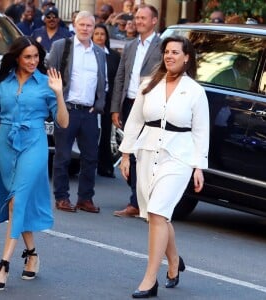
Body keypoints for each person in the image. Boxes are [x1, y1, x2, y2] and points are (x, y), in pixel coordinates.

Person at [119, 35, 210, 298]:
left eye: (175, 52)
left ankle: (150, 280)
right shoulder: (148, 84)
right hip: (147, 153)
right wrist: (126, 155)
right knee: (156, 213)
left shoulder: (195, 91)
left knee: (158, 213)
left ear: (186, 57)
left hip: (178, 157)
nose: (169, 56)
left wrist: (198, 167)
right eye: (167, 52)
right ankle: (174, 262)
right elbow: (135, 121)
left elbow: (201, 132)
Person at [0, 36, 69, 291]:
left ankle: (3, 263)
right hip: (6, 145)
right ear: (16, 57)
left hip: (34, 144)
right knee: (15, 203)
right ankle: (32, 253)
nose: (33, 61)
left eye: (36, 57)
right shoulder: (3, 84)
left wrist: (59, 94)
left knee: (17, 199)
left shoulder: (46, 83)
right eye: (27, 57)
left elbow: (63, 122)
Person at [47, 11, 106, 213]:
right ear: (74, 25)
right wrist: (55, 102)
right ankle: (61, 197)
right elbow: (50, 73)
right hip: (67, 109)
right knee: (63, 156)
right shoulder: (61, 47)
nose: (85, 29)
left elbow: (102, 81)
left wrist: (99, 105)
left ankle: (85, 198)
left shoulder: (98, 52)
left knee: (91, 157)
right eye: (81, 24)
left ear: (94, 27)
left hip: (89, 112)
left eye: (89, 25)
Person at [111, 4, 162, 217]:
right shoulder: (130, 46)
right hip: (129, 103)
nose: (138, 21)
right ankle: (135, 201)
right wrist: (115, 108)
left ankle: (147, 202)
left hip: (150, 107)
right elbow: (120, 77)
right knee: (130, 152)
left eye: (143, 18)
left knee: (146, 154)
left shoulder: (162, 46)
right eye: (137, 18)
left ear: (154, 21)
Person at [92, 23, 121, 178]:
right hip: (90, 99)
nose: (99, 37)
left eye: (102, 34)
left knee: (105, 133)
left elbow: (118, 80)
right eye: (96, 34)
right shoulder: (88, 53)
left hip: (108, 99)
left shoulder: (114, 56)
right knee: (90, 133)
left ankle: (105, 166)